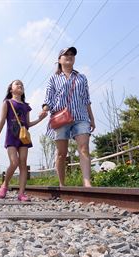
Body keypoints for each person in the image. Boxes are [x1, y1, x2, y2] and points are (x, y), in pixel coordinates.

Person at [42, 46, 95, 187]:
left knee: (84, 147)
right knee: (61, 153)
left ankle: (87, 182)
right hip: (60, 118)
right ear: (59, 60)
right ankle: (62, 184)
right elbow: (48, 99)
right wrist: (44, 110)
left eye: (72, 54)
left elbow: (86, 99)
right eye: (66, 54)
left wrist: (92, 118)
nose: (69, 56)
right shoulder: (53, 79)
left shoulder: (81, 78)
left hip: (80, 116)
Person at [0, 80, 47, 201]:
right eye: (17, 84)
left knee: (23, 163)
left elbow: (27, 124)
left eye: (22, 84)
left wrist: (40, 119)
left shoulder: (26, 106)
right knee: (14, 162)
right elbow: (1, 120)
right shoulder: (7, 102)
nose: (20, 85)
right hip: (11, 136)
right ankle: (5, 184)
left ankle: (21, 193)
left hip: (24, 137)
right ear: (11, 89)